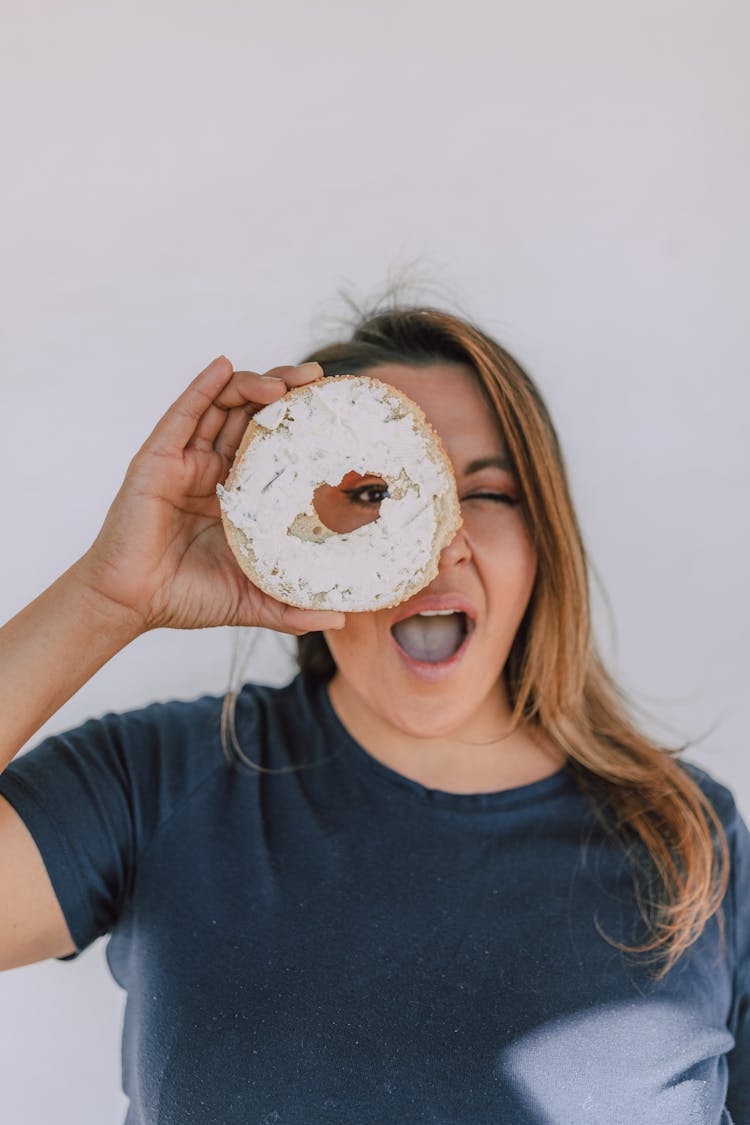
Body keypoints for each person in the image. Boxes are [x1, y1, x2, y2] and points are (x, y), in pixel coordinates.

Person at [0, 303, 747, 1125]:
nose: (438, 539)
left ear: (544, 543)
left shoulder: (689, 836)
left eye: (488, 491)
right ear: (298, 540)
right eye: (372, 490)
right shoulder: (165, 778)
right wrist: (109, 595)